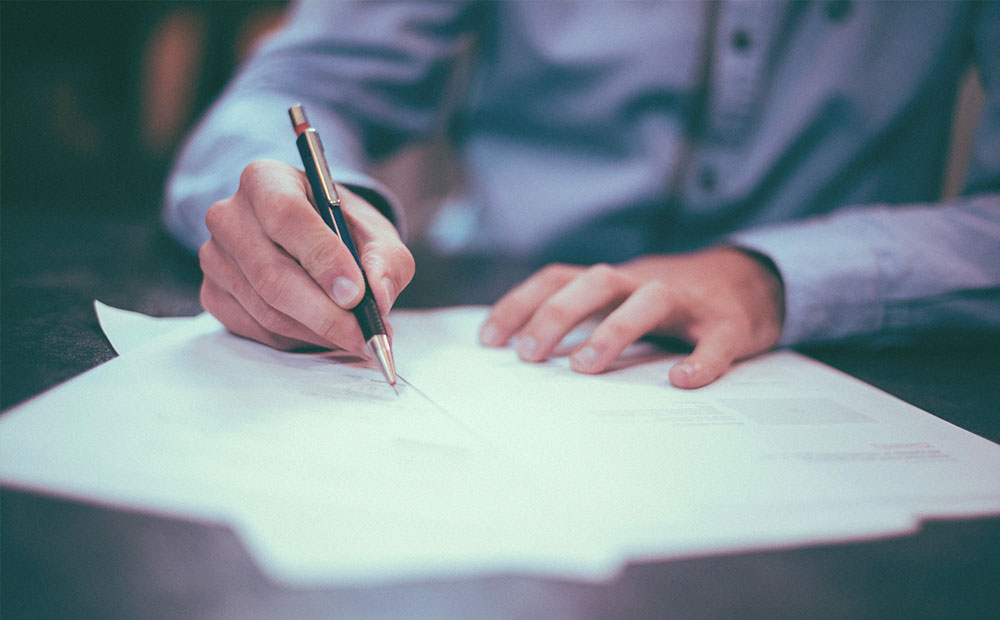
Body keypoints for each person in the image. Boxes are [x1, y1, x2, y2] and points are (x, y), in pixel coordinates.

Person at [164, 0, 1000, 389]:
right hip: (497, 325)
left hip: (854, 360)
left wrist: (772, 275)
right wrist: (305, 216)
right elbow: (298, 85)